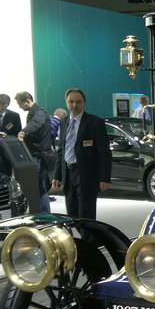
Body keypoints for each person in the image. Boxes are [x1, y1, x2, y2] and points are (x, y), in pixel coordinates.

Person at [52, 88, 112, 221]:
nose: (74, 105)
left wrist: (105, 178)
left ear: (84, 103)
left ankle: (88, 235)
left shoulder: (94, 122)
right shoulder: (63, 122)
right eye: (71, 101)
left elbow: (105, 153)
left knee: (86, 216)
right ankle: (78, 235)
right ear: (66, 103)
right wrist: (57, 175)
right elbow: (61, 150)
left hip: (86, 175)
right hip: (68, 174)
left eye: (78, 102)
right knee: (72, 214)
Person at [15, 92, 54, 212]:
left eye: (20, 104)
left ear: (27, 101)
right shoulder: (33, 112)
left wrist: (24, 132)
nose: (19, 107)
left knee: (34, 186)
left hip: (39, 155)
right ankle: (43, 213)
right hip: (36, 155)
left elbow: (36, 123)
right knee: (39, 186)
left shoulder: (39, 112)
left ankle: (40, 213)